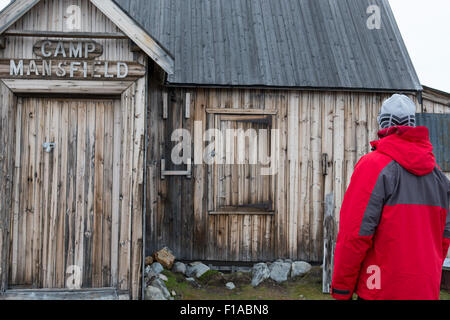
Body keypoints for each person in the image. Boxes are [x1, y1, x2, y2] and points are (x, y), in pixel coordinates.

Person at [331, 94, 450, 300]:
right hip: (424, 290)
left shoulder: (372, 166)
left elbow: (355, 234)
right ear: (412, 124)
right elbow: (444, 238)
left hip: (380, 289)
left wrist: (342, 288)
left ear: (383, 123)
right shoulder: (438, 176)